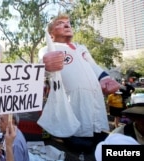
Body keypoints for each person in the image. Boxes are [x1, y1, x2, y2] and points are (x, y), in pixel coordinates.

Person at [38, 14, 119, 149]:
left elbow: (93, 66)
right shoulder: (48, 48)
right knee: (79, 140)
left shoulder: (81, 48)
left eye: (68, 23)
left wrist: (105, 78)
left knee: (98, 139)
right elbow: (43, 64)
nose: (66, 25)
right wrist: (46, 65)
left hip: (94, 99)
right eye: (60, 23)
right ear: (51, 34)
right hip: (73, 102)